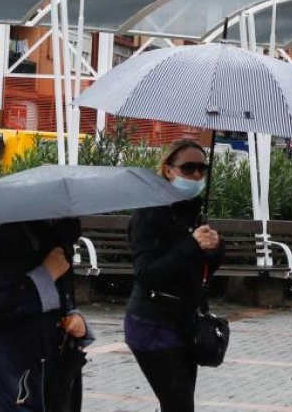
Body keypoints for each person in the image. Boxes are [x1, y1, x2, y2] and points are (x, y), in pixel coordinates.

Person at [125, 138, 225, 412]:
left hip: (184, 322)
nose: (196, 174)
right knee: (179, 405)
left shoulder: (192, 213)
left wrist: (215, 249)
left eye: (202, 169)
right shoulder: (149, 214)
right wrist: (192, 245)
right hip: (152, 324)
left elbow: (198, 272)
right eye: (188, 168)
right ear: (168, 170)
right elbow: (147, 275)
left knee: (177, 404)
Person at [0, 218, 91, 411]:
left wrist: (76, 321)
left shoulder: (53, 242)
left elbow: (51, 305)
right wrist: (47, 274)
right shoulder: (8, 243)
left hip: (34, 381)